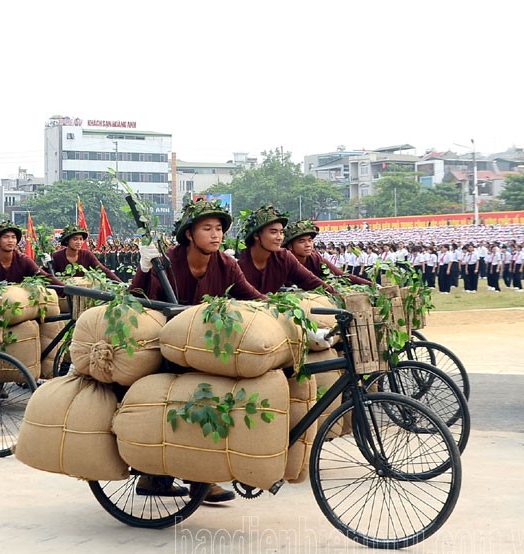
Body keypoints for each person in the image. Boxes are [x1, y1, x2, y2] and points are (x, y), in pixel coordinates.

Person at [131, 199, 266, 504]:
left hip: (205, 350)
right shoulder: (166, 263)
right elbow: (136, 299)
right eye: (207, 228)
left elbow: (254, 298)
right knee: (192, 400)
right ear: (189, 234)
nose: (215, 235)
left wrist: (284, 311)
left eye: (219, 229)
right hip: (166, 348)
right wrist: (144, 268)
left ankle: (177, 476)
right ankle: (196, 478)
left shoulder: (227, 265)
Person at [236, 206, 335, 296]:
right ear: (256, 235)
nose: (279, 238)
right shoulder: (237, 264)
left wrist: (339, 297)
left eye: (281, 232)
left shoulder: (284, 258)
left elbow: (311, 282)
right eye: (273, 232)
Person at [0, 220, 63, 286]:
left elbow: (45, 277)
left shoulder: (24, 260)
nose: (10, 240)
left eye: (13, 237)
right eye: (6, 237)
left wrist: (67, 289)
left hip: (21, 303)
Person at [282, 220, 372, 286]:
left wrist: (371, 285)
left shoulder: (315, 258)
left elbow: (341, 275)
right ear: (290, 246)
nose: (308, 245)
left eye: (310, 240)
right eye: (302, 241)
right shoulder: (282, 261)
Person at [50, 224, 122, 282]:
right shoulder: (57, 256)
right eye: (75, 239)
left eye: (81, 239)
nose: (79, 242)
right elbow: (47, 276)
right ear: (67, 241)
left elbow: (103, 270)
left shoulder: (87, 255)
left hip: (84, 293)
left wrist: (121, 284)